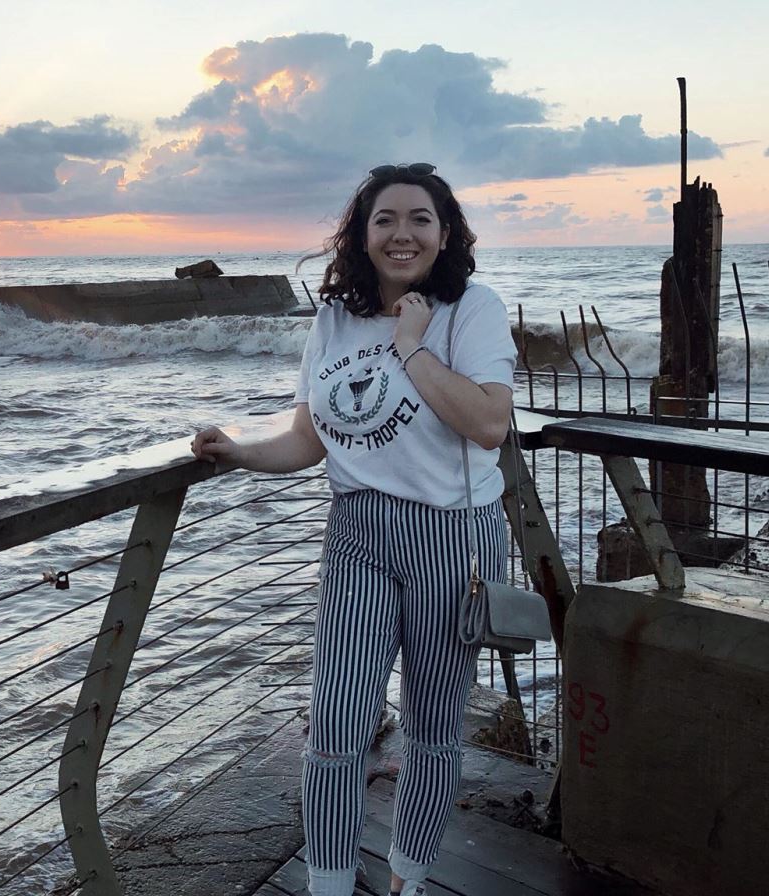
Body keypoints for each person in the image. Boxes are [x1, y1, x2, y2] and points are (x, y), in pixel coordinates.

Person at [190, 163, 517, 896]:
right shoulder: (334, 318)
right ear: (362, 235)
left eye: (420, 219)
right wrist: (238, 451)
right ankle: (329, 884)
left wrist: (412, 345)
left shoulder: (472, 309)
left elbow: (489, 423)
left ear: (444, 233)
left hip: (451, 538)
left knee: (432, 728)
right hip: (357, 533)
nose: (402, 234)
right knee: (336, 725)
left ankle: (408, 878)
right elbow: (308, 438)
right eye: (385, 219)